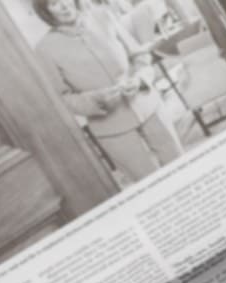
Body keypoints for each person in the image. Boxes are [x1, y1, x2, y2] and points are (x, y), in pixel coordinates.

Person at [33, 0, 183, 183]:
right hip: (110, 128)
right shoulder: (44, 49)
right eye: (54, 3)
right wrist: (96, 100)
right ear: (45, 11)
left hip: (149, 107)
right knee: (149, 184)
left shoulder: (104, 16)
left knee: (181, 167)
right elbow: (61, 97)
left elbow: (140, 54)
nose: (64, 5)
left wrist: (139, 79)